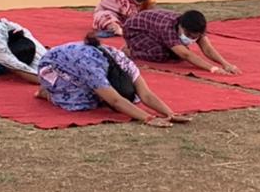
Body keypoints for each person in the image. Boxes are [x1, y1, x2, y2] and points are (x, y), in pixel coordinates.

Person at [37, 36, 191, 127]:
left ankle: (101, 93)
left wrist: (170, 113)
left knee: (101, 96)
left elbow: (146, 95)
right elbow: (116, 101)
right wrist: (149, 118)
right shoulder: (93, 71)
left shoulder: (126, 66)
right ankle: (48, 93)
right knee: (83, 103)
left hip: (79, 62)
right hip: (52, 65)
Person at [123, 8, 239, 74]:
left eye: (195, 37)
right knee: (160, 54)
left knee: (175, 55)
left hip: (153, 31)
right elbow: (186, 55)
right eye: (188, 35)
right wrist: (212, 68)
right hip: (135, 31)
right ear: (180, 26)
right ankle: (130, 51)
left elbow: (207, 48)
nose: (191, 39)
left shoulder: (198, 26)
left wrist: (226, 64)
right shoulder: (167, 27)